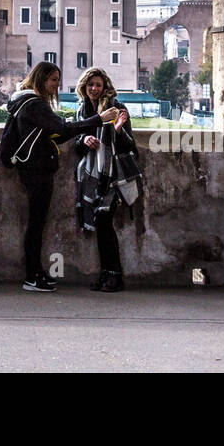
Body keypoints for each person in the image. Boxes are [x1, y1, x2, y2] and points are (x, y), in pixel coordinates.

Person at [5, 61, 118, 292]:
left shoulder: (24, 100)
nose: (57, 85)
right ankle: (32, 277)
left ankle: (36, 273)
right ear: (41, 80)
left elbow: (54, 134)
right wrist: (99, 120)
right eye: (53, 80)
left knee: (37, 224)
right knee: (36, 224)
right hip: (36, 170)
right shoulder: (35, 104)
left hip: (32, 168)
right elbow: (62, 128)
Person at [73, 67, 143, 293]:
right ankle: (107, 273)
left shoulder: (117, 108)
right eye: (90, 85)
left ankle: (114, 274)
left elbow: (128, 144)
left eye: (98, 85)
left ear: (105, 87)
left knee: (104, 221)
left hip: (113, 175)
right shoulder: (81, 110)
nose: (94, 89)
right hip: (93, 174)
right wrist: (85, 140)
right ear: (84, 87)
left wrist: (116, 129)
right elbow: (76, 143)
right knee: (100, 223)